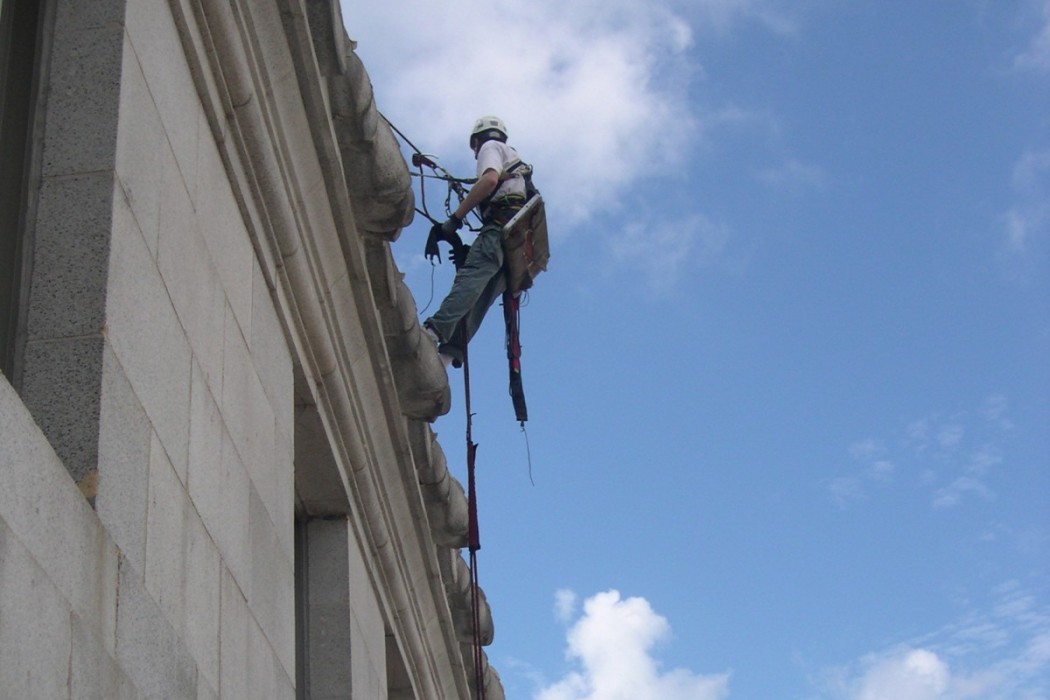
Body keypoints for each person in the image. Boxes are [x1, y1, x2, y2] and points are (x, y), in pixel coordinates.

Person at [423, 116, 529, 368]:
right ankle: (447, 357)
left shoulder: (489, 147)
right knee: (481, 295)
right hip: (517, 248)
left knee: (471, 279)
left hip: (500, 229)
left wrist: (454, 220)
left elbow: (489, 179)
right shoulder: (517, 167)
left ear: (475, 141)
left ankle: (431, 332)